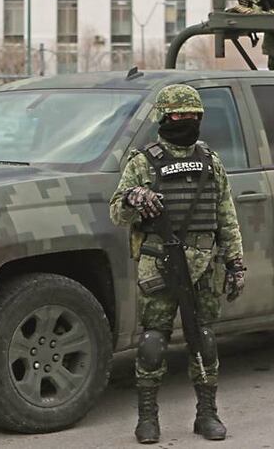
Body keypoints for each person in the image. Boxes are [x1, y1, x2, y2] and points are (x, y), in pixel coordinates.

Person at [110, 84, 246, 443]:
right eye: (178, 116)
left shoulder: (211, 162)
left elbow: (225, 216)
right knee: (153, 340)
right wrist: (134, 198)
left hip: (203, 265)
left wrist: (235, 263)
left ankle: (207, 414)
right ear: (164, 117)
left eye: (191, 116)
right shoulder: (143, 162)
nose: (185, 121)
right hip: (159, 264)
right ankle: (147, 418)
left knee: (204, 338)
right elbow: (116, 212)